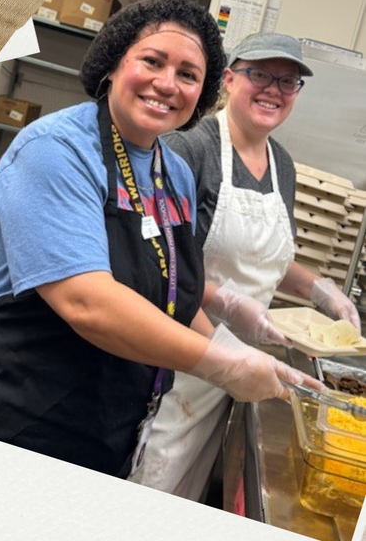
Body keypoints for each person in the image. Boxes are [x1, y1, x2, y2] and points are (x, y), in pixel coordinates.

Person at [0, 0, 317, 478]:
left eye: (187, 74)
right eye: (152, 61)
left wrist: (229, 342)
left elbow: (170, 287)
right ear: (114, 62)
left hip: (110, 425)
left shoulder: (174, 172)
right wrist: (219, 364)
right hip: (18, 417)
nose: (167, 84)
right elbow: (87, 302)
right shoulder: (56, 151)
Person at [131, 32, 360, 501]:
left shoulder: (283, 165)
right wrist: (225, 307)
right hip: (175, 361)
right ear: (230, 79)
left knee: (187, 490)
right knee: (151, 480)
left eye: (288, 81)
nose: (274, 89)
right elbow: (157, 266)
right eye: (260, 74)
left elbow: (269, 256)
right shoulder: (188, 150)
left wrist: (320, 289)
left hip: (236, 368)